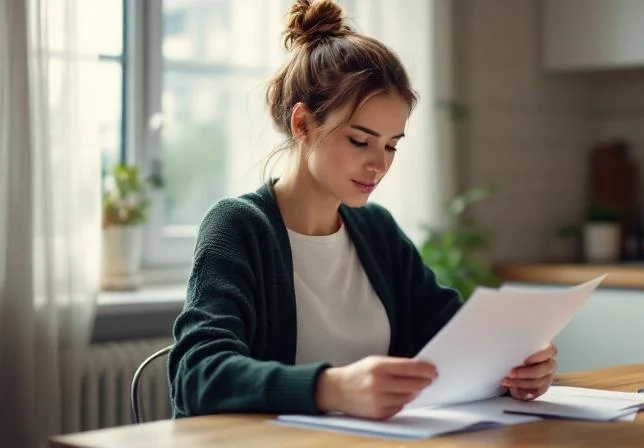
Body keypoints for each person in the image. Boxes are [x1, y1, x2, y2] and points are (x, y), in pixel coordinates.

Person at [167, 0, 557, 421]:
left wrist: (516, 362)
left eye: (391, 145)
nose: (379, 164)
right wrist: (332, 388)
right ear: (302, 124)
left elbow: (456, 337)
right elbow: (196, 375)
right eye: (359, 141)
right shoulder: (239, 227)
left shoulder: (377, 230)